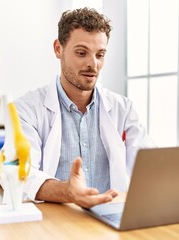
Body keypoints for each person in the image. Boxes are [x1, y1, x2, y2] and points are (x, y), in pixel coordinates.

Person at [15, 7, 154, 209]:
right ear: (58, 49)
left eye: (100, 55)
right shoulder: (27, 109)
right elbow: (21, 173)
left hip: (109, 217)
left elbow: (149, 164)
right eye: (81, 53)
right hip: (53, 221)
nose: (93, 64)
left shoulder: (122, 109)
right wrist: (68, 192)